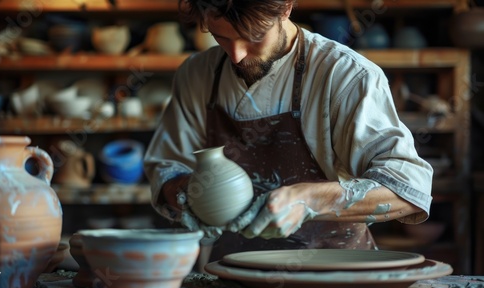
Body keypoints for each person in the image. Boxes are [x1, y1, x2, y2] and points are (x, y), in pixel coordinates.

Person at [144, 0, 433, 264]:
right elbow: (168, 165)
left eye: (254, 37)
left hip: (337, 274)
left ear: (285, 9)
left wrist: (310, 200)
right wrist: (183, 193)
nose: (236, 55)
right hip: (231, 274)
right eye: (221, 38)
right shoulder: (197, 75)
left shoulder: (345, 75)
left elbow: (409, 190)